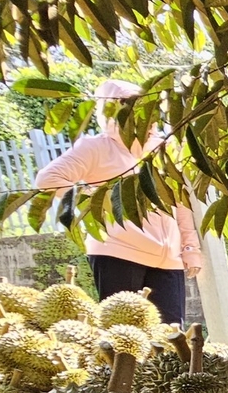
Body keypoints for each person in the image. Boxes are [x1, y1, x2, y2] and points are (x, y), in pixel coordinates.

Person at [33, 79, 202, 324]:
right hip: (118, 253)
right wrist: (95, 200)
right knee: (124, 336)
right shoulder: (95, 148)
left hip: (168, 258)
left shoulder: (163, 148)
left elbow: (180, 201)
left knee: (171, 338)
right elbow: (48, 179)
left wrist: (190, 248)